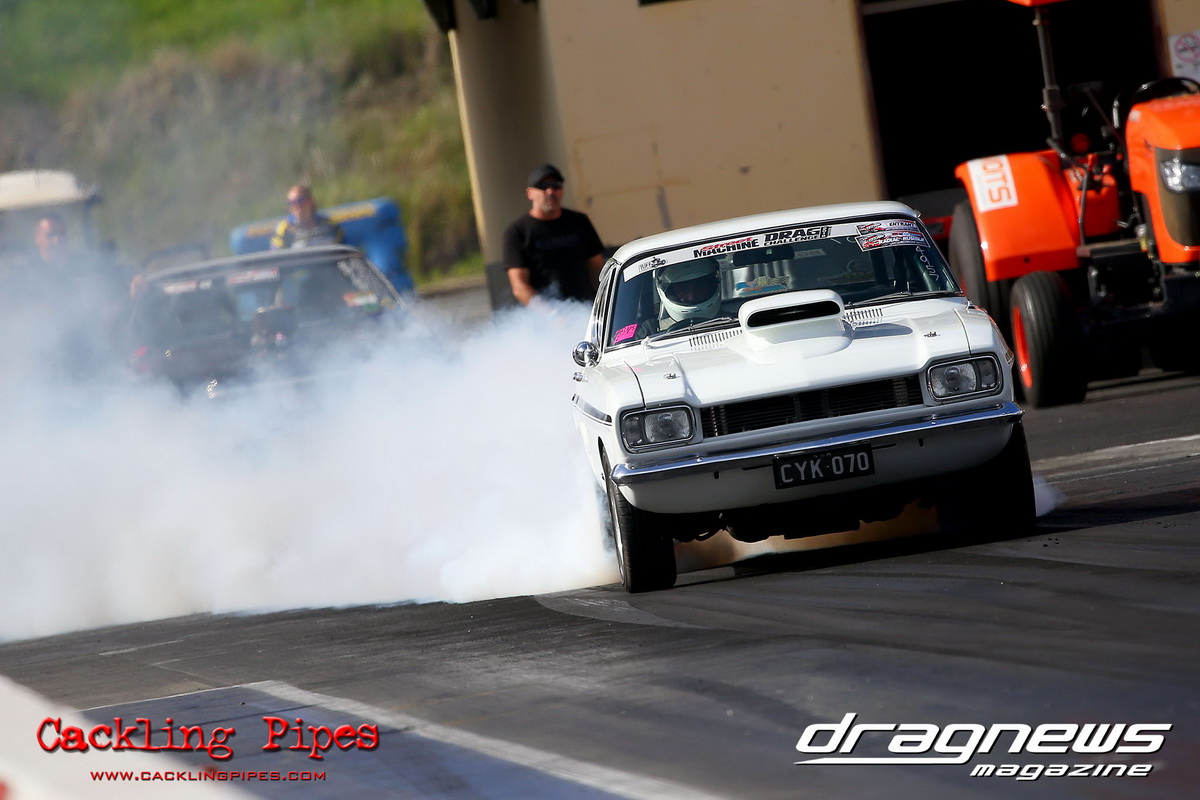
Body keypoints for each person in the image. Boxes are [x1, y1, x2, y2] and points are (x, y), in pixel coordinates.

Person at [503, 163, 605, 305]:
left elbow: (598, 268)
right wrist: (551, 314)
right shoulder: (517, 232)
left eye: (556, 186)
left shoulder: (579, 221)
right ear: (529, 193)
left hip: (586, 309)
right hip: (545, 316)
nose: (550, 191)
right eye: (543, 186)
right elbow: (519, 286)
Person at [636, 258, 724, 338]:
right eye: (684, 290)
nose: (691, 297)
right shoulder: (651, 331)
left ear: (711, 286)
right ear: (671, 292)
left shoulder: (731, 321)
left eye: (699, 287)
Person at [270, 183, 344, 249]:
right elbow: (276, 256)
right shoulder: (284, 229)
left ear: (310, 201)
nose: (295, 206)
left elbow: (343, 251)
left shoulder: (330, 225)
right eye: (291, 203)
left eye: (299, 201)